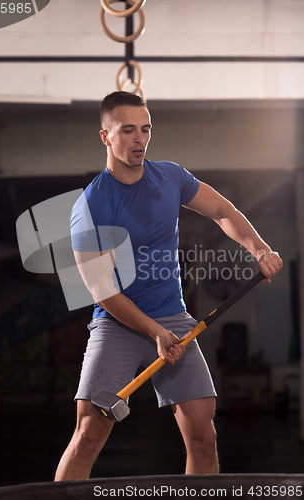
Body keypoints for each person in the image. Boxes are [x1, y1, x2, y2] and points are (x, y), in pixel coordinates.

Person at [54, 91, 283, 481]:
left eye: (145, 129)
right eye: (127, 130)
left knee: (203, 436)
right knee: (89, 432)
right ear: (105, 136)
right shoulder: (91, 206)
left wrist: (258, 248)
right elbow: (103, 292)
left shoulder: (171, 177)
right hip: (117, 324)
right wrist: (154, 331)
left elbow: (222, 210)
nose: (139, 138)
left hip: (173, 318)